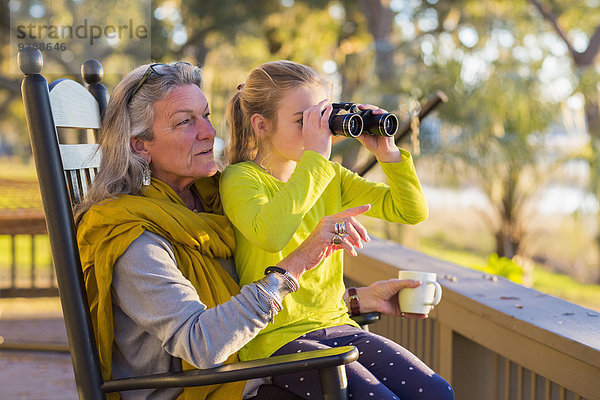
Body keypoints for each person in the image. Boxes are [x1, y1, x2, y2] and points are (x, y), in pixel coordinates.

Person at [74, 61, 429, 400]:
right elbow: (203, 343)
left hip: (249, 374)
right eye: (185, 122)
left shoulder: (206, 204)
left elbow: (251, 285)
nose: (209, 132)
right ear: (140, 145)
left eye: (206, 116)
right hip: (203, 388)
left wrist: (354, 300)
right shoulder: (133, 237)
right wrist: (299, 261)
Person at [220, 60, 454, 400]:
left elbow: (410, 210)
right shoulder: (241, 178)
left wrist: (386, 153)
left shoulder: (328, 175)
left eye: (323, 119)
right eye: (303, 122)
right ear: (261, 125)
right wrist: (316, 158)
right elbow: (272, 234)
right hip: (277, 340)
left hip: (338, 324)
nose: (318, 132)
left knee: (436, 392)